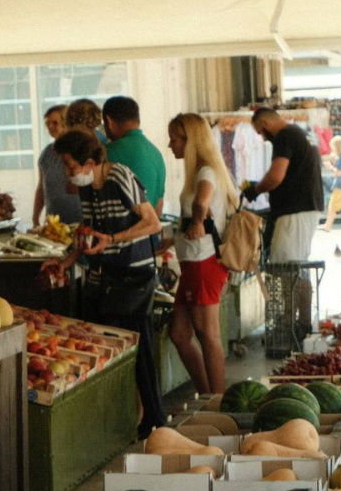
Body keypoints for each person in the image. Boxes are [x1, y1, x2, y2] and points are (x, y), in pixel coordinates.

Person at [47, 129, 165, 434]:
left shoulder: (119, 177)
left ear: (89, 162)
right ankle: (119, 421)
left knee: (138, 352)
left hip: (132, 276)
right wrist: (66, 262)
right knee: (107, 347)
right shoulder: (87, 188)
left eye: (71, 166)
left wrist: (113, 238)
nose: (68, 173)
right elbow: (91, 235)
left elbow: (152, 223)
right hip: (104, 276)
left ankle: (154, 420)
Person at [165, 113, 238, 395]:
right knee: (180, 334)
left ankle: (217, 399)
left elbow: (202, 202)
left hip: (202, 264)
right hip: (192, 263)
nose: (171, 145)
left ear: (190, 140)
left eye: (174, 139)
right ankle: (207, 393)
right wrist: (173, 238)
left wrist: (197, 220)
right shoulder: (202, 172)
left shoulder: (205, 173)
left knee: (208, 334)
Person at [246, 107, 324, 262]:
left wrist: (256, 189)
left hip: (295, 210)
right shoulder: (299, 132)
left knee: (287, 266)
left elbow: (275, 176)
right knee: (296, 266)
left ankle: (303, 288)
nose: (263, 137)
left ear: (265, 123)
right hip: (308, 206)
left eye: (260, 131)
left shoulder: (284, 136)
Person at [101, 96, 167, 212]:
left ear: (109, 122)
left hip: (121, 229)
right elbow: (159, 205)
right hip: (150, 227)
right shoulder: (156, 153)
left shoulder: (107, 152)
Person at [33, 105, 81, 226]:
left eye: (55, 123)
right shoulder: (46, 154)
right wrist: (35, 218)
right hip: (54, 225)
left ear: (66, 123)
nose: (50, 127)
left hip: (80, 223)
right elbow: (41, 189)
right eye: (48, 123)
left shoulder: (80, 150)